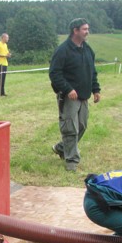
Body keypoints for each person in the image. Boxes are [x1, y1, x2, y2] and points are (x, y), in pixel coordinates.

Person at [49, 18, 101, 172]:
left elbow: (92, 72)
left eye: (87, 29)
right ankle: (72, 161)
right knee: (70, 128)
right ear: (75, 31)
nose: (87, 32)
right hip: (68, 96)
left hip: (84, 95)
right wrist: (67, 89)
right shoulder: (63, 50)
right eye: (84, 29)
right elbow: (54, 73)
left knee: (82, 126)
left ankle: (60, 147)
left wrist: (96, 89)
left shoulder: (88, 50)